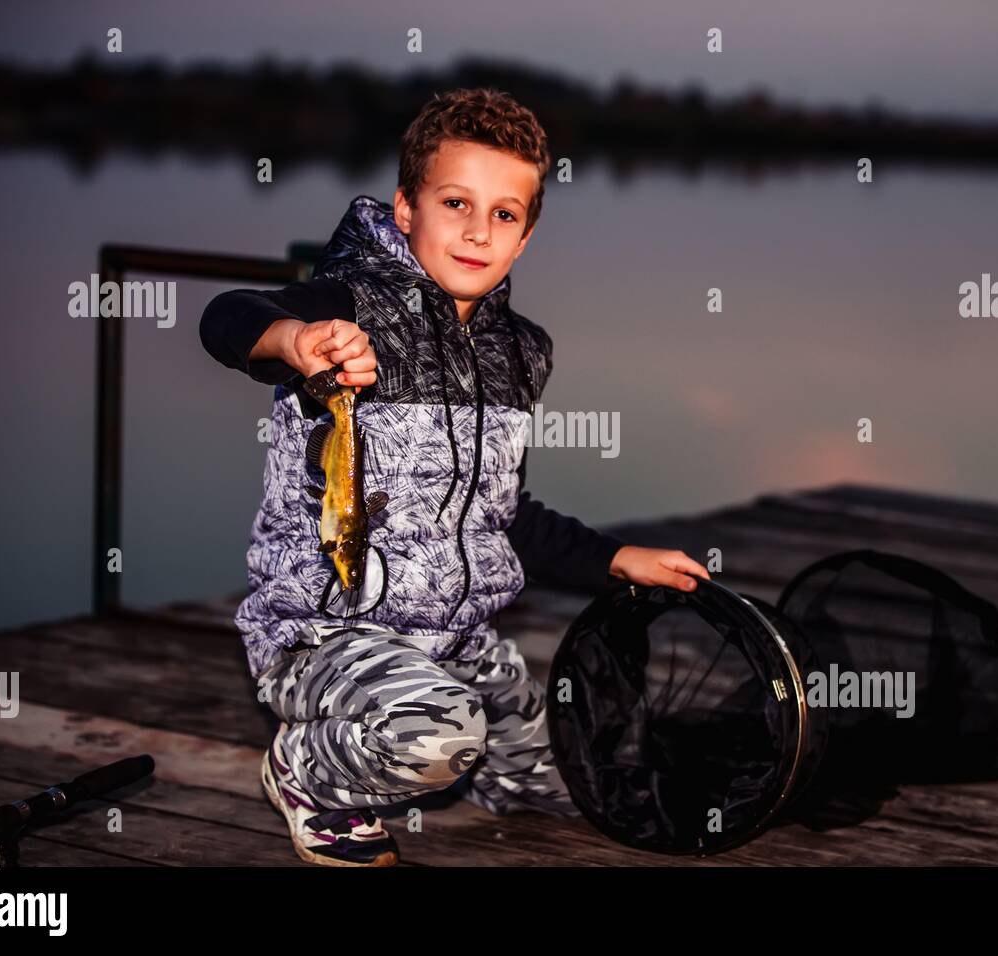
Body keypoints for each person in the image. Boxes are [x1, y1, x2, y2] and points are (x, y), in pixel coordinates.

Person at [199, 87, 710, 866]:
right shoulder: (347, 304)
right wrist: (295, 339)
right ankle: (308, 776)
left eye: (504, 214)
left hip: (457, 642)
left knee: (570, 782)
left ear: (527, 235)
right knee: (438, 734)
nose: (478, 231)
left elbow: (501, 515)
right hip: (323, 635)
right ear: (406, 208)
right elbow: (226, 316)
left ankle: (447, 737)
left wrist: (616, 560)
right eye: (455, 203)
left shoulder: (520, 351)